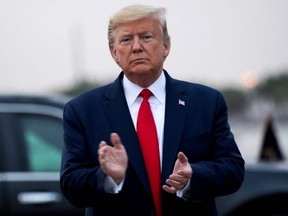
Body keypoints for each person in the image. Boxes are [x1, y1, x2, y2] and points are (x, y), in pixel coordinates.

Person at [60, 4, 245, 216]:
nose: (136, 47)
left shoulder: (205, 102)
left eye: (146, 37)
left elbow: (233, 169)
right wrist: (109, 177)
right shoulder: (82, 110)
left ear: (166, 46)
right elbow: (71, 185)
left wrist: (193, 176)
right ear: (114, 52)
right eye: (126, 40)